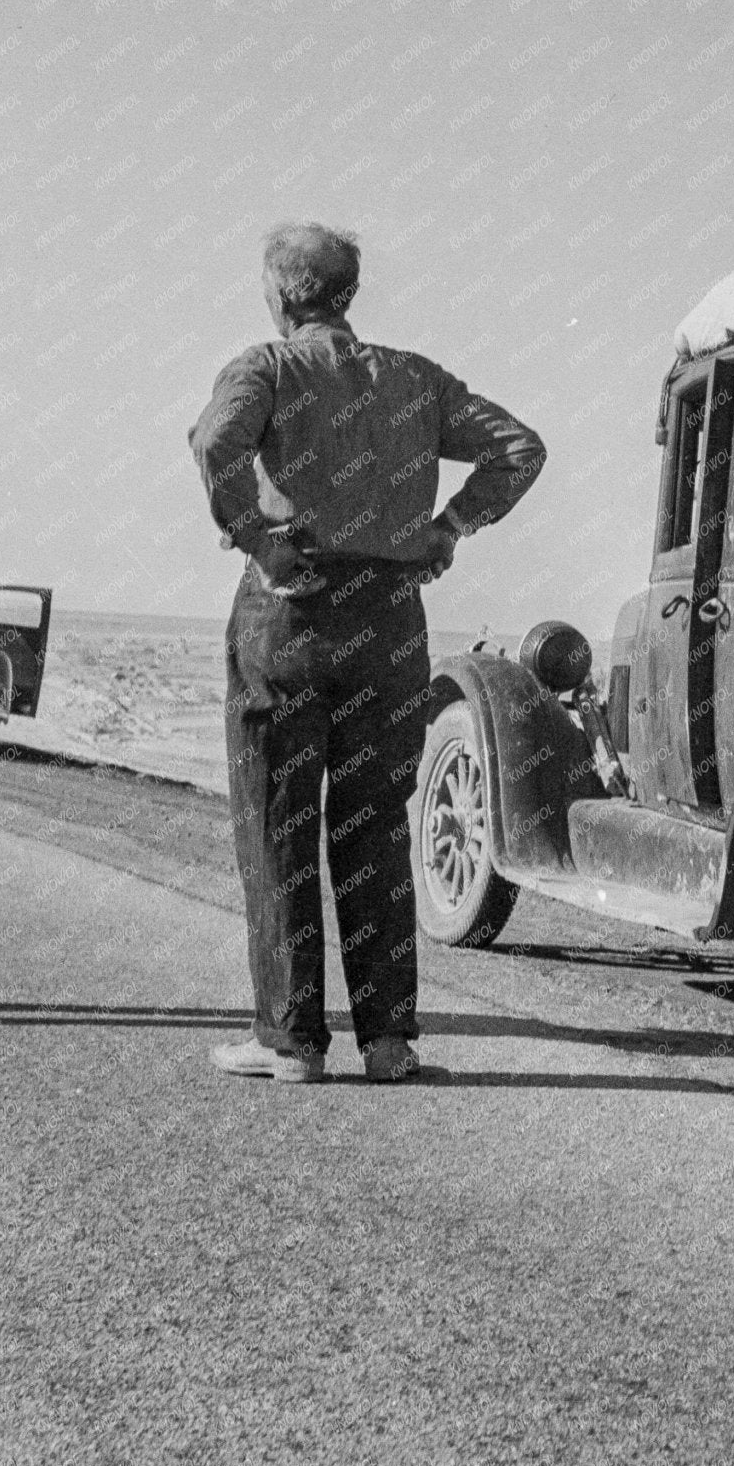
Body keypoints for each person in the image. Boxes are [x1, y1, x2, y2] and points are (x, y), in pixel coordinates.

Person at [189, 223, 545, 1084]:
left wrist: (257, 537)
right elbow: (519, 447)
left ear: (283, 294)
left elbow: (215, 442)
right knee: (375, 825)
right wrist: (450, 525)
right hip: (388, 619)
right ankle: (387, 1043)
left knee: (277, 824)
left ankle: (291, 1043)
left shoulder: (266, 368)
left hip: (289, 611)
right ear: (347, 294)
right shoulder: (415, 378)